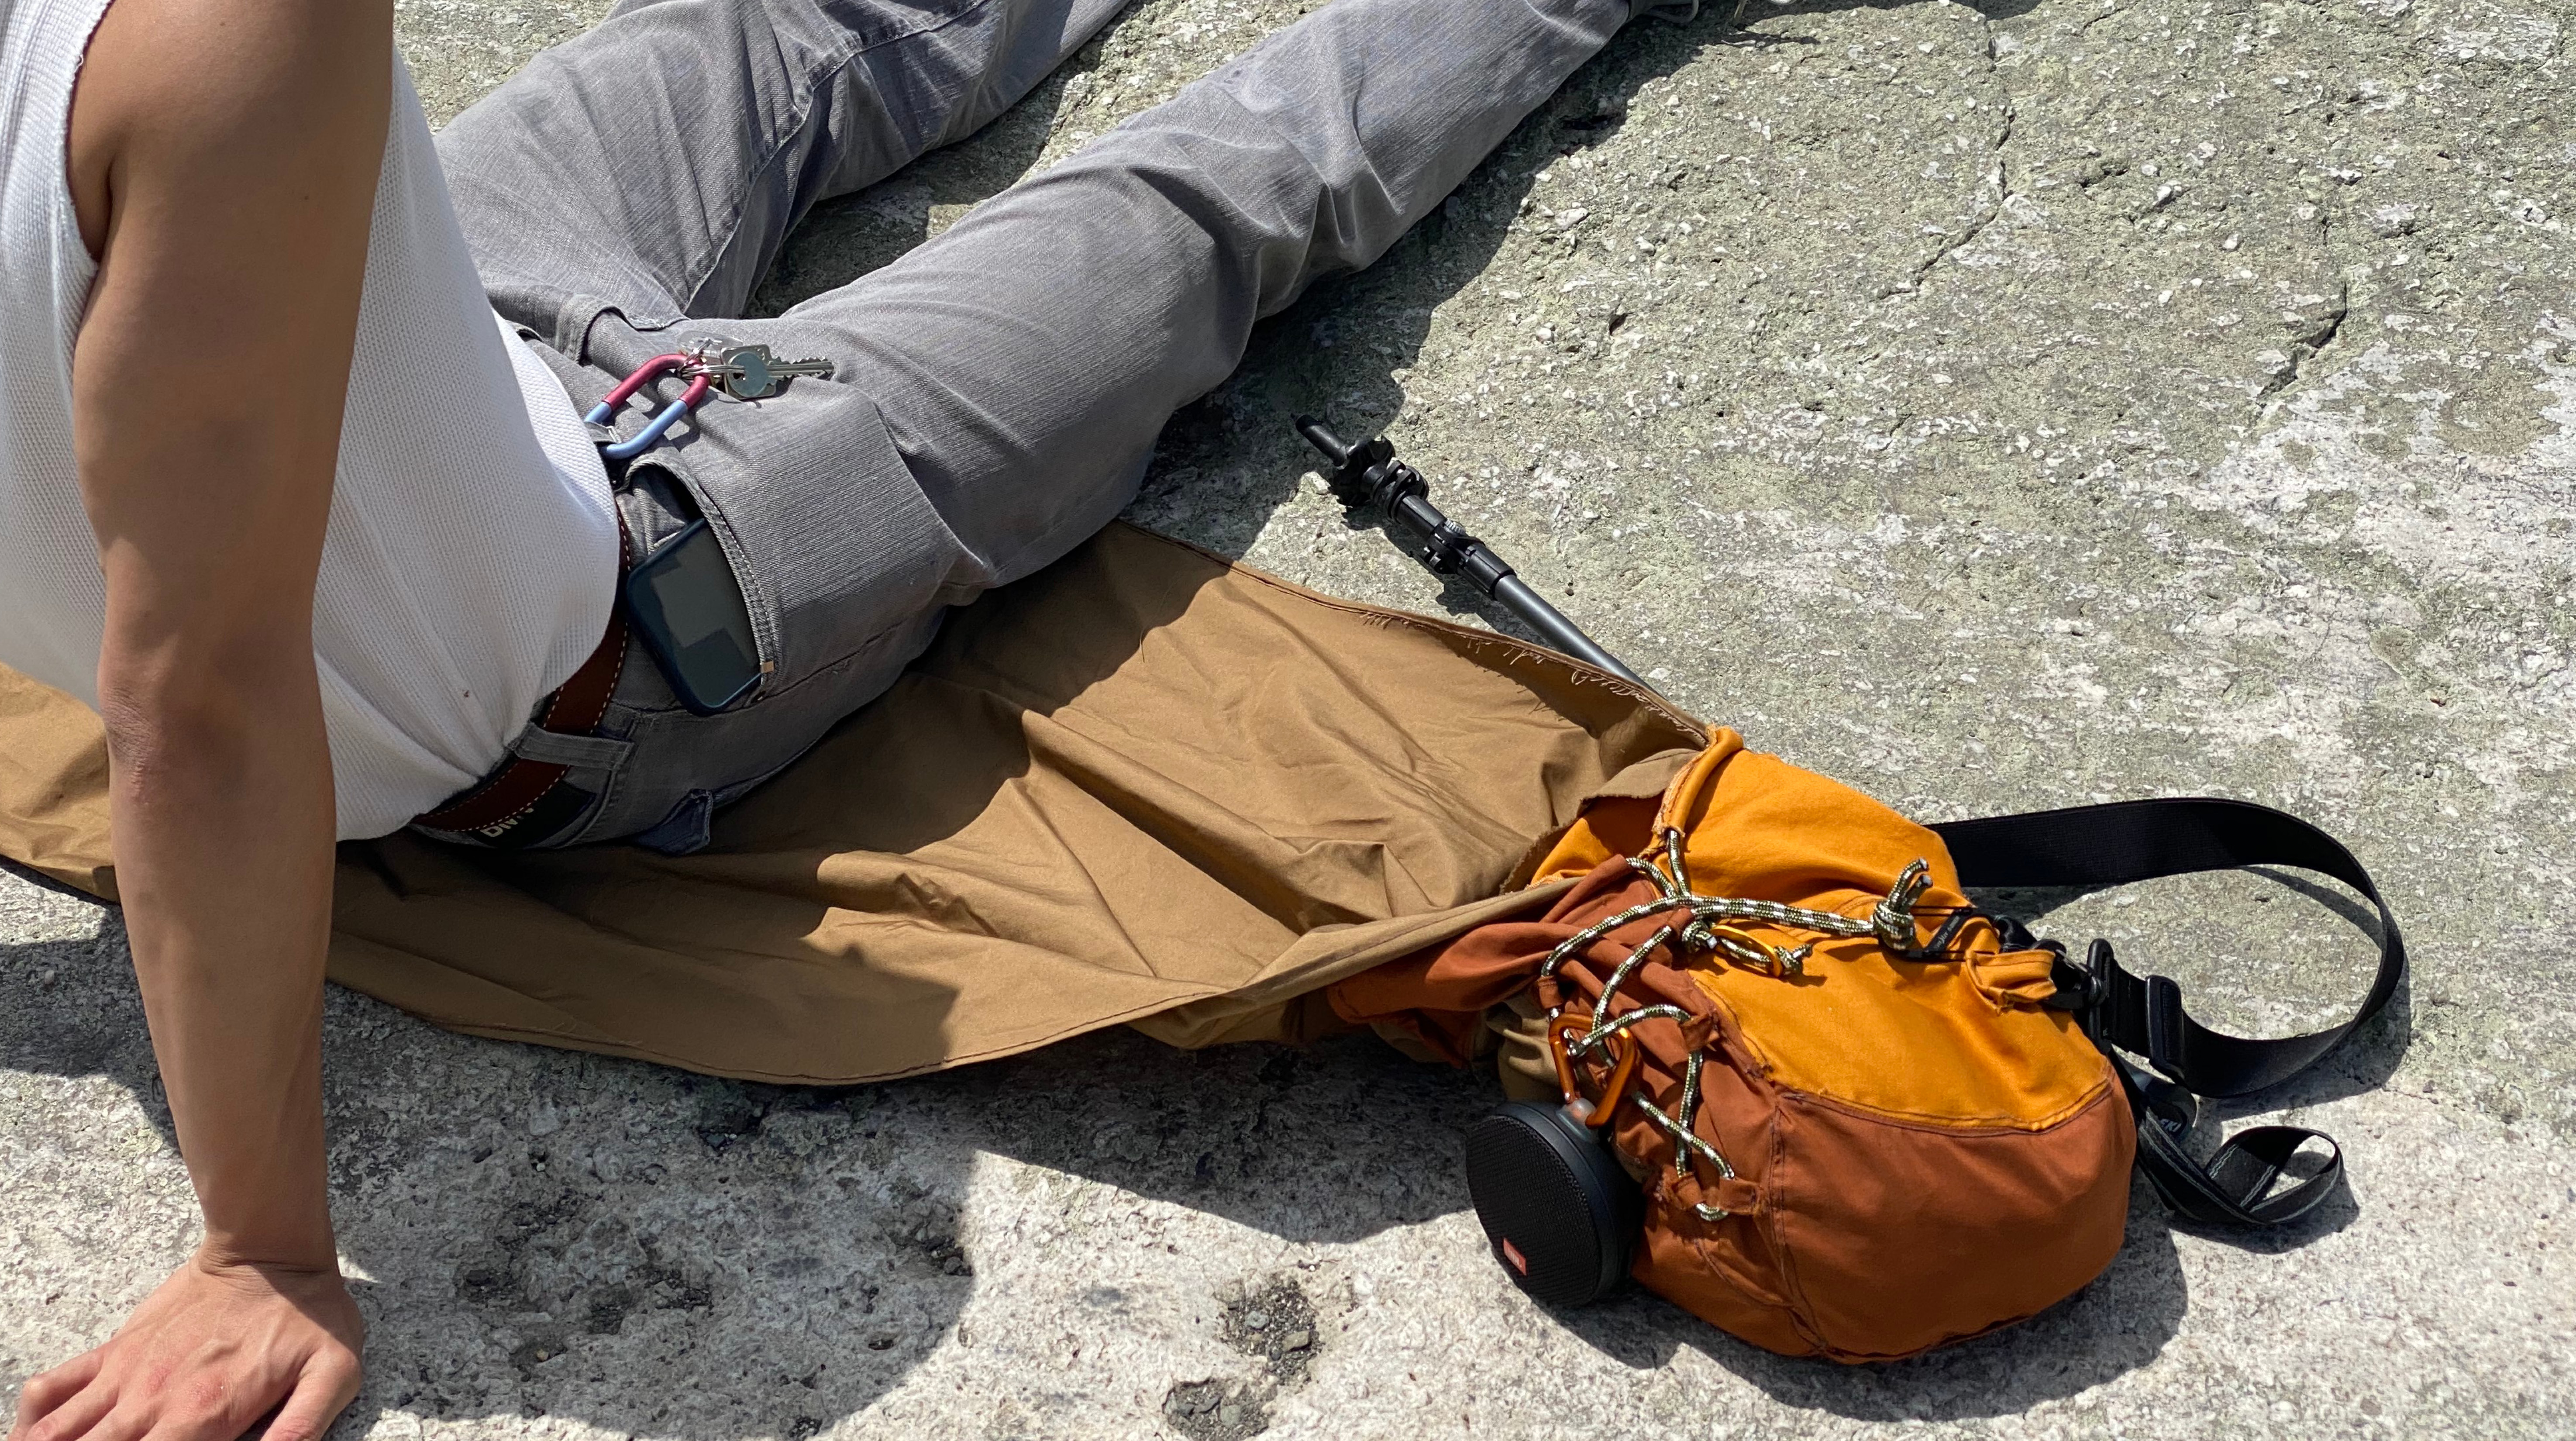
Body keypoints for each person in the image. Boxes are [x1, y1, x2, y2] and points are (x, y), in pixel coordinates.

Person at [0, 0, 1696, 1434]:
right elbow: (198, 716)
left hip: (421, 337)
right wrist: (264, 1252)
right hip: (656, 610)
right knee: (1216, 188)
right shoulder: (215, 39)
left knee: (760, 27)